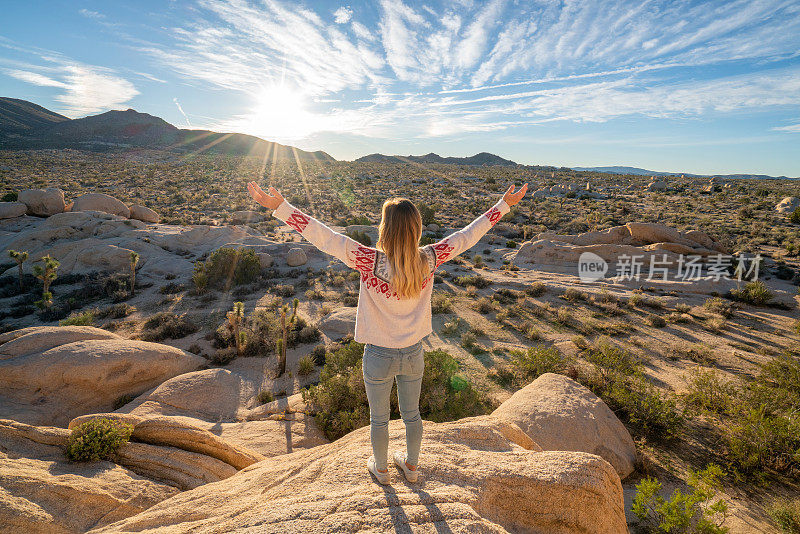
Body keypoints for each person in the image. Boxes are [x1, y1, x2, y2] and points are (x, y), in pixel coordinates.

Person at [247, 180, 528, 484]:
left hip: (378, 355)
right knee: (412, 415)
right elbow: (467, 236)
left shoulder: (369, 260)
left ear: (385, 229)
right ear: (416, 228)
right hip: (413, 353)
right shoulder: (430, 258)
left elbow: (325, 237)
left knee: (378, 418)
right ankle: (411, 466)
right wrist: (503, 205)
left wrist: (282, 208)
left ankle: (380, 469)